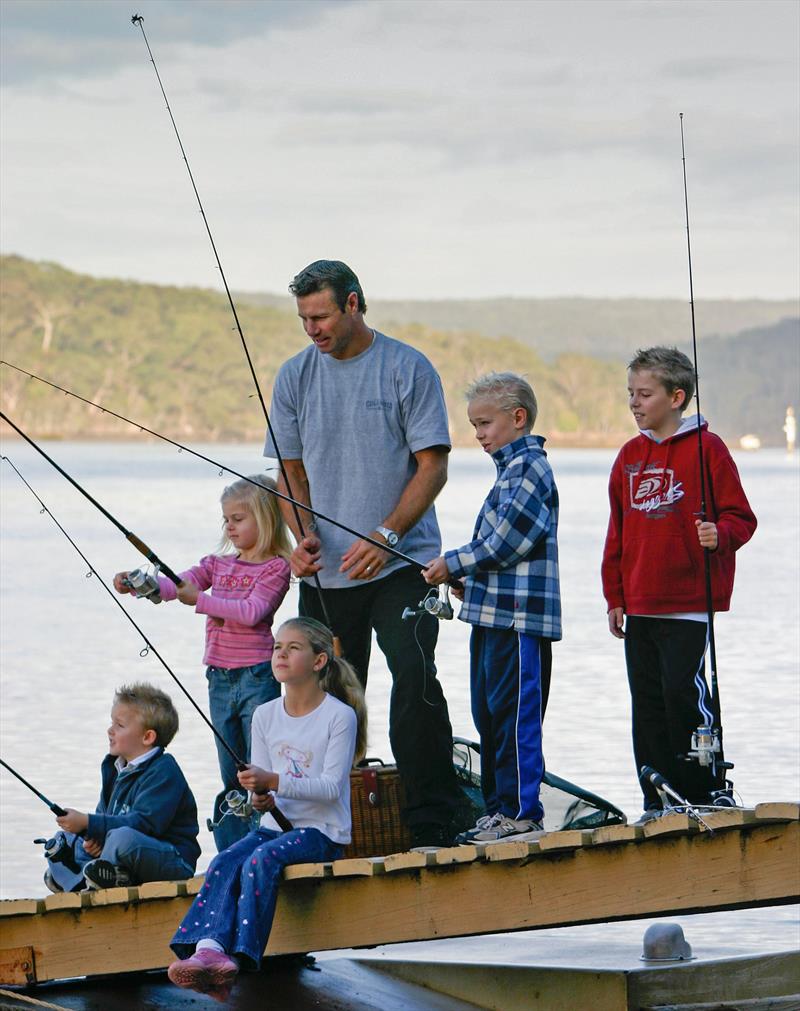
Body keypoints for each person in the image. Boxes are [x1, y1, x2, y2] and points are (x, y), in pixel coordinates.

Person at [264, 259, 466, 848]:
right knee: (326, 697)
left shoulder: (408, 368)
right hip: (328, 573)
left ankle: (434, 818)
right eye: (304, 319)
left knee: (414, 680)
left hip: (403, 562)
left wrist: (387, 536)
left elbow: (434, 467)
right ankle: (327, 819)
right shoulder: (294, 376)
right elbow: (290, 472)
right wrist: (299, 537)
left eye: (321, 316)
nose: (312, 330)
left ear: (354, 303)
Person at [166, 617, 367, 1002]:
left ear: (319, 661)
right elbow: (263, 790)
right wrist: (261, 797)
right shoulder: (265, 715)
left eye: (293, 648)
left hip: (323, 832)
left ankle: (238, 962)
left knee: (261, 860)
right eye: (277, 647)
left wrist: (272, 781)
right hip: (276, 828)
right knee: (226, 860)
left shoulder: (339, 716)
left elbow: (329, 789)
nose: (281, 654)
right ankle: (208, 949)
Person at [601, 347, 757, 819]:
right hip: (641, 604)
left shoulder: (709, 450)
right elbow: (617, 532)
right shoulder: (629, 457)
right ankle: (658, 797)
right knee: (646, 702)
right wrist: (615, 595)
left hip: (688, 604)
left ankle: (707, 790)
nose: (634, 402)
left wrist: (720, 535)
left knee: (683, 696)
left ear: (677, 397)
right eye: (631, 393)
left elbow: (742, 518)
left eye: (644, 394)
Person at [114, 475, 292, 850]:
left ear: (265, 519)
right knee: (232, 772)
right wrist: (142, 586)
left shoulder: (276, 568)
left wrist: (200, 600)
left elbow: (252, 611)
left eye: (238, 518)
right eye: (226, 519)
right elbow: (180, 584)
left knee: (258, 768)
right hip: (219, 680)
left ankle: (271, 841)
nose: (230, 526)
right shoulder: (218, 564)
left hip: (257, 675)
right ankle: (234, 850)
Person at [423, 373, 561, 842]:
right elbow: (497, 551)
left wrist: (453, 562)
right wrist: (468, 579)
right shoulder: (508, 472)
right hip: (492, 616)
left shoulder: (530, 468)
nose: (478, 434)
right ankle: (499, 809)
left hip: (521, 623)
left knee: (515, 718)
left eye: (485, 423)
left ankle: (522, 813)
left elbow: (508, 542)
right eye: (474, 425)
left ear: (517, 418)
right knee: (489, 716)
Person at [43, 682, 200, 892]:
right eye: (112, 723)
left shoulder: (164, 770)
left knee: (122, 838)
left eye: (120, 725)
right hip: (121, 854)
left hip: (172, 861)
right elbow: (104, 815)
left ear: (147, 737)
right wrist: (92, 836)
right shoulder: (114, 767)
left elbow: (144, 824)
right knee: (66, 839)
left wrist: (89, 822)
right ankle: (85, 879)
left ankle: (81, 878)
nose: (110, 730)